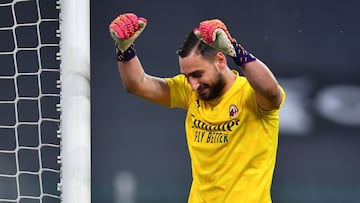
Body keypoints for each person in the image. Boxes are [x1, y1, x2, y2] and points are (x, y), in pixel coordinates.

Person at [109, 13, 285, 203]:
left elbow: (271, 91)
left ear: (220, 60)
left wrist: (235, 51)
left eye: (198, 74)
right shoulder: (190, 93)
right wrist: (124, 49)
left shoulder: (250, 95)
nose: (193, 85)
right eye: (187, 77)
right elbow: (137, 84)